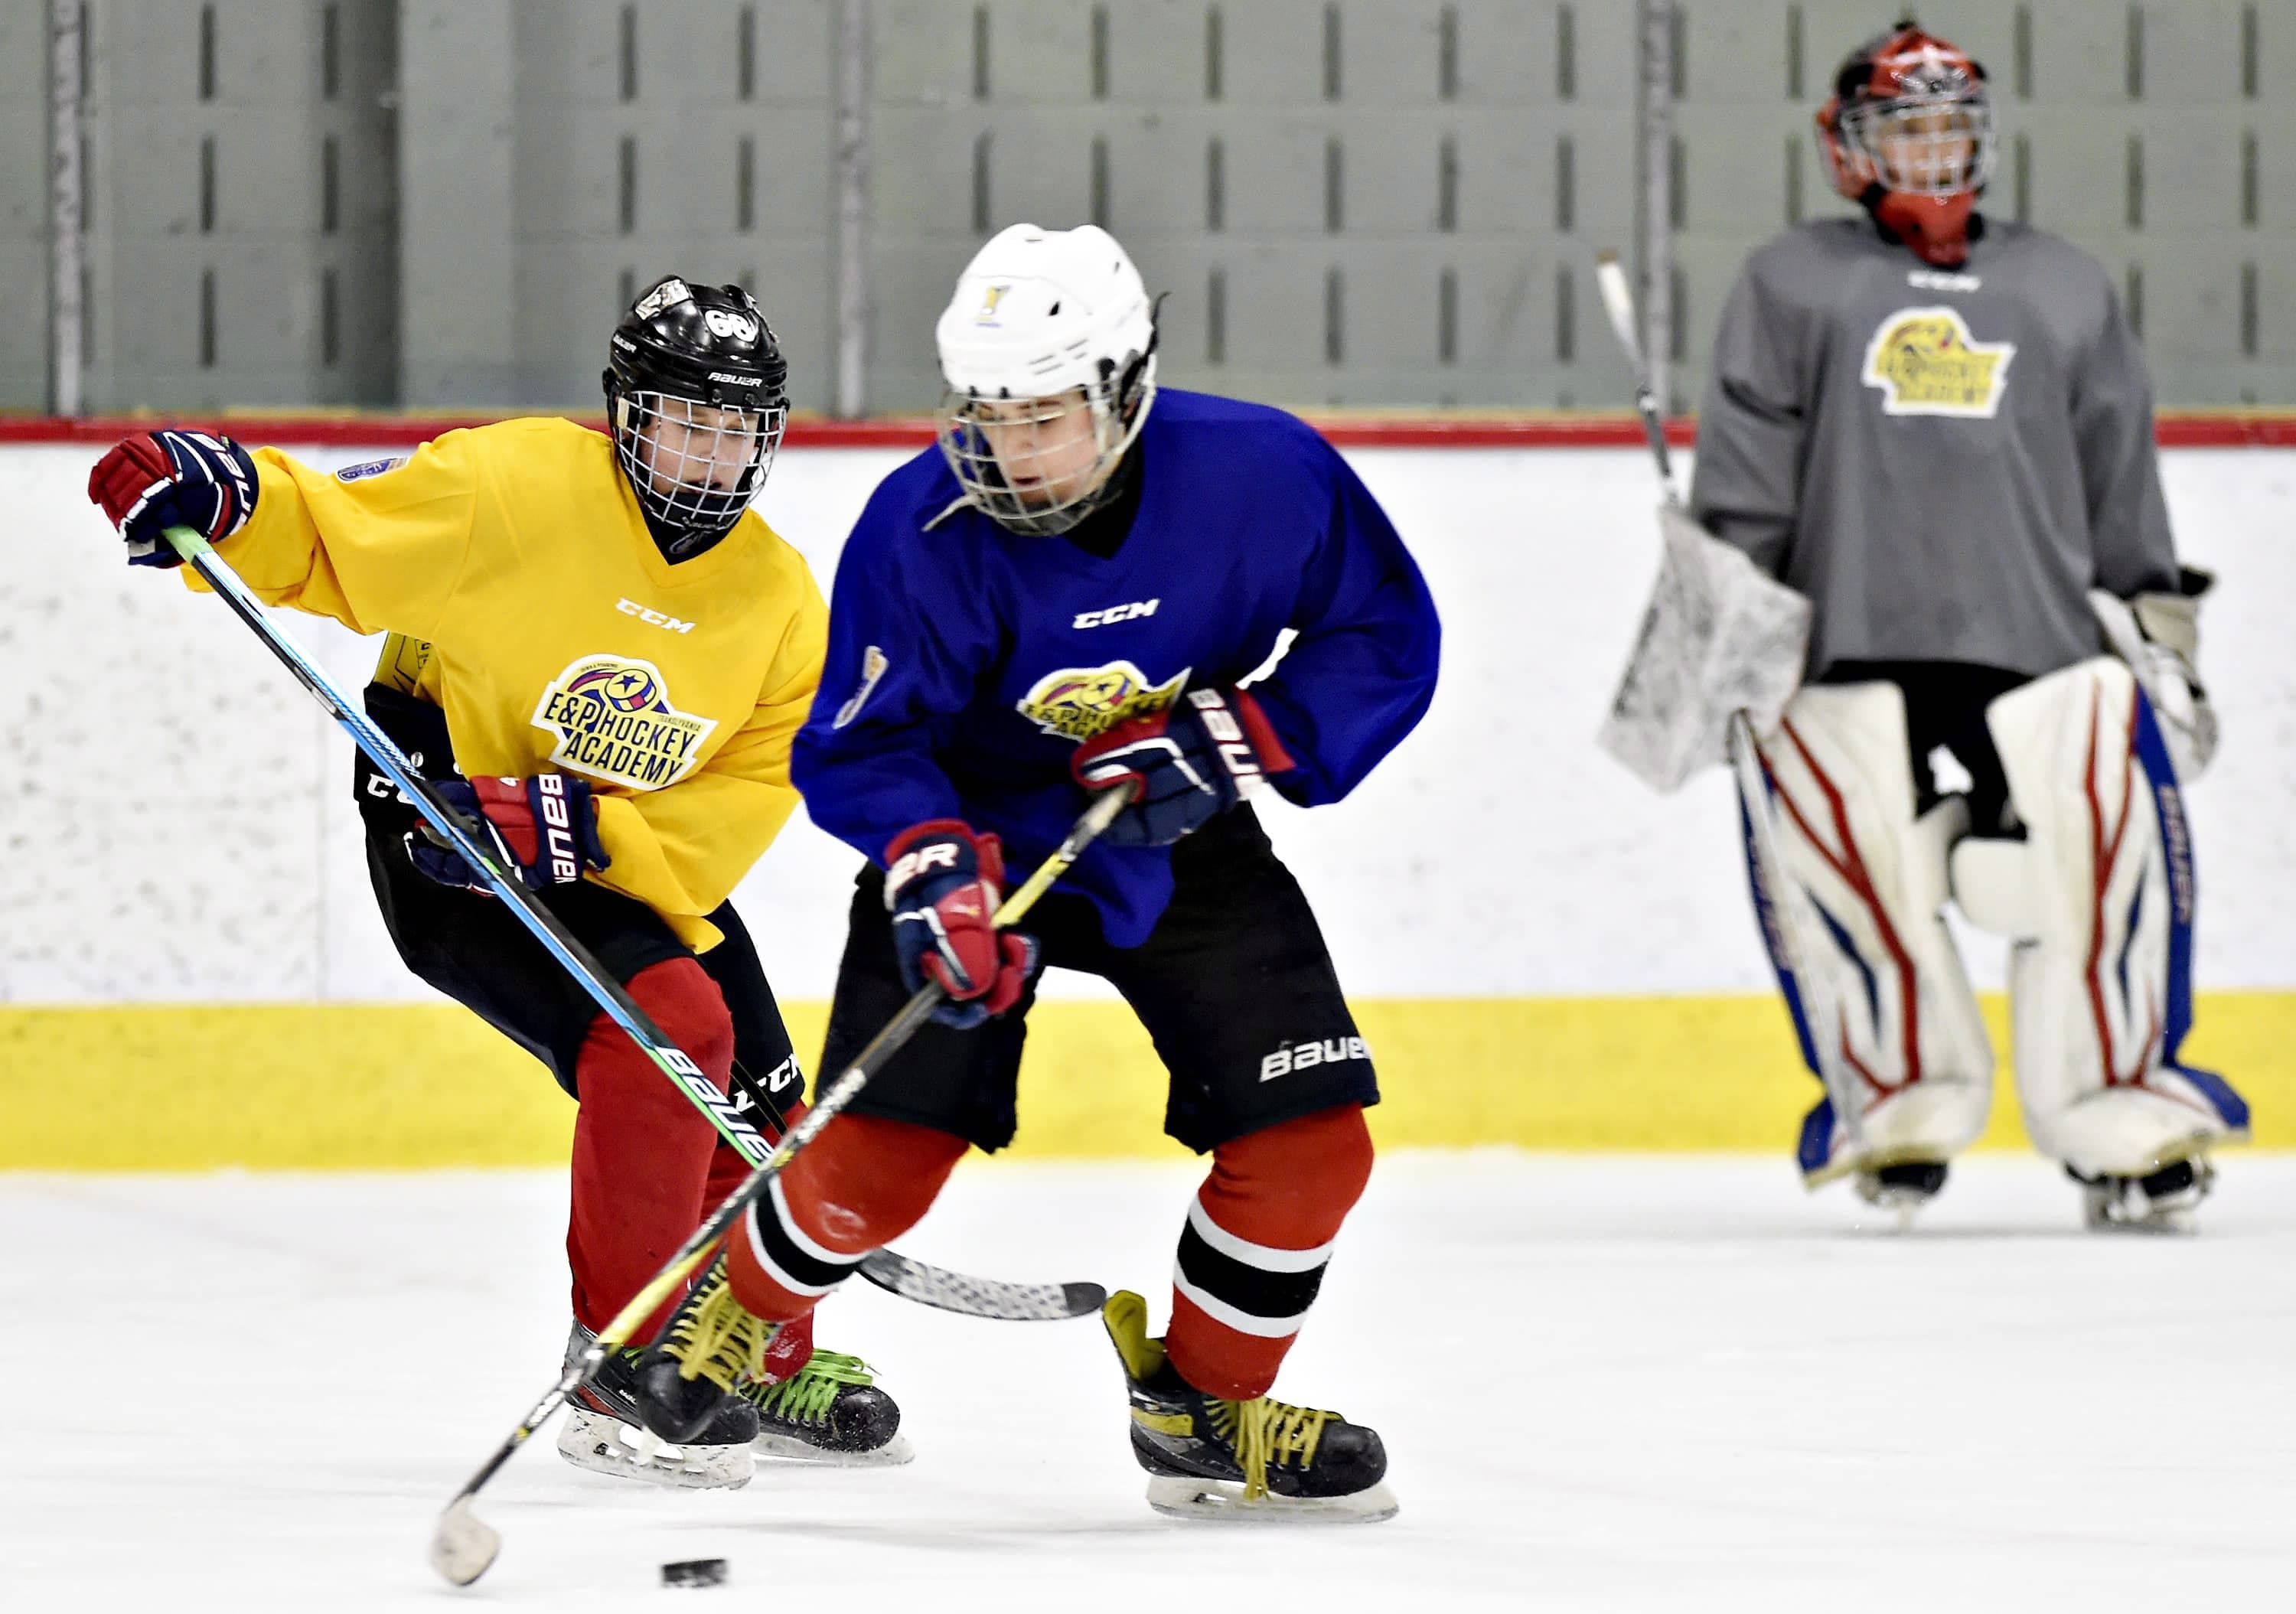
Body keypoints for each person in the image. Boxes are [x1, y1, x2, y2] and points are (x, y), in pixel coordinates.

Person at [628, 223, 1440, 1521]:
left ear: (1127, 386)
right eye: (989, 414)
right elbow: (860, 741)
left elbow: (1382, 629)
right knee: (880, 1166)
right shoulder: (920, 527)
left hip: (1173, 824)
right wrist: (930, 865)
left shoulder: (1263, 473)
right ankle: (737, 1311)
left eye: (1046, 416)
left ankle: (1203, 1408)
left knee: (1312, 1146)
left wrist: (1241, 737)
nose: (1011, 451)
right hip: (973, 840)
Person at [85, 276, 904, 1486]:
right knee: (671, 1028)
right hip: (451, 826)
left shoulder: (779, 602)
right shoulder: (511, 487)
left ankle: (756, 1357)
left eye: (738, 429)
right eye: (688, 421)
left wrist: (584, 830)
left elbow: (737, 803)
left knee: (763, 1098)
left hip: (607, 851)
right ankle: (621, 1360)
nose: (713, 454)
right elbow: (339, 535)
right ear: (627, 414)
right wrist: (225, 495)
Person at [1691, 21, 2247, 1228]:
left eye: (1953, 126)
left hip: (2045, 640)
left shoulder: (2064, 282)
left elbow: (2118, 469)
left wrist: (2156, 622)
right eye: (1909, 128)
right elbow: (1747, 469)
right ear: (1848, 147)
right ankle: (1898, 1107)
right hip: (1844, 643)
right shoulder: (1791, 280)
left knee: (2100, 863)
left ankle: (2118, 1109)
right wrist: (1734, 610)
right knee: (1854, 872)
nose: (1936, 150)